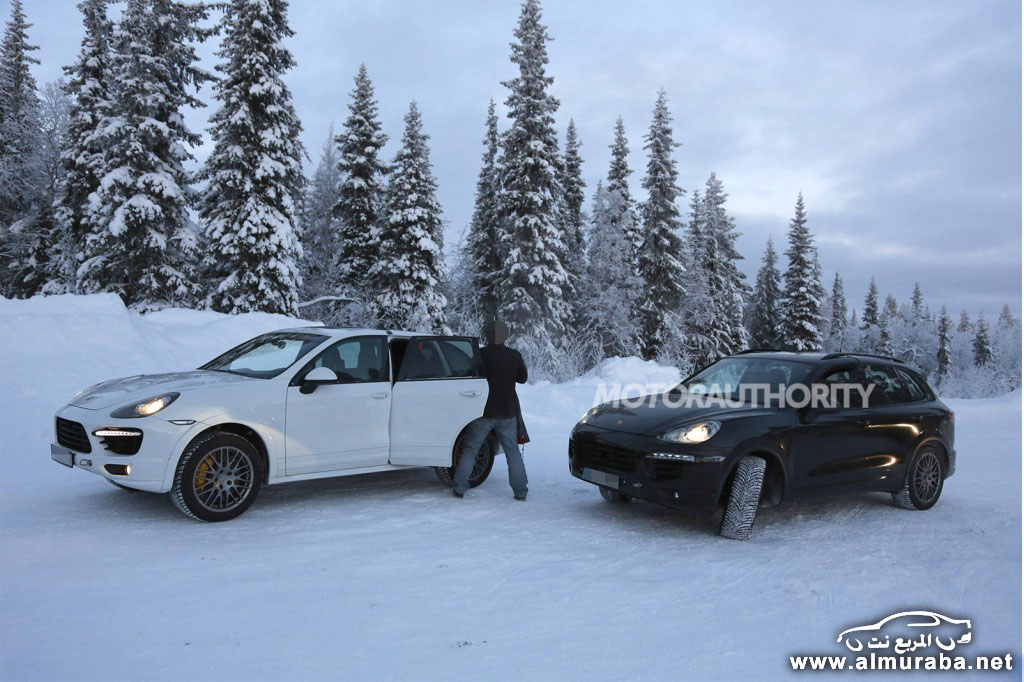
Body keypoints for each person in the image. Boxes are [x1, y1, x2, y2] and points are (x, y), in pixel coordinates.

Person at [452, 319, 529, 500]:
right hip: (507, 412)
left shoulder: (479, 354)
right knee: (513, 453)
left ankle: (460, 488)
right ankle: (520, 492)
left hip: (482, 412)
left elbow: (468, 375)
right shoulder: (514, 355)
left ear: (487, 335)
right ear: (506, 335)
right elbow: (523, 378)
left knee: (471, 448)